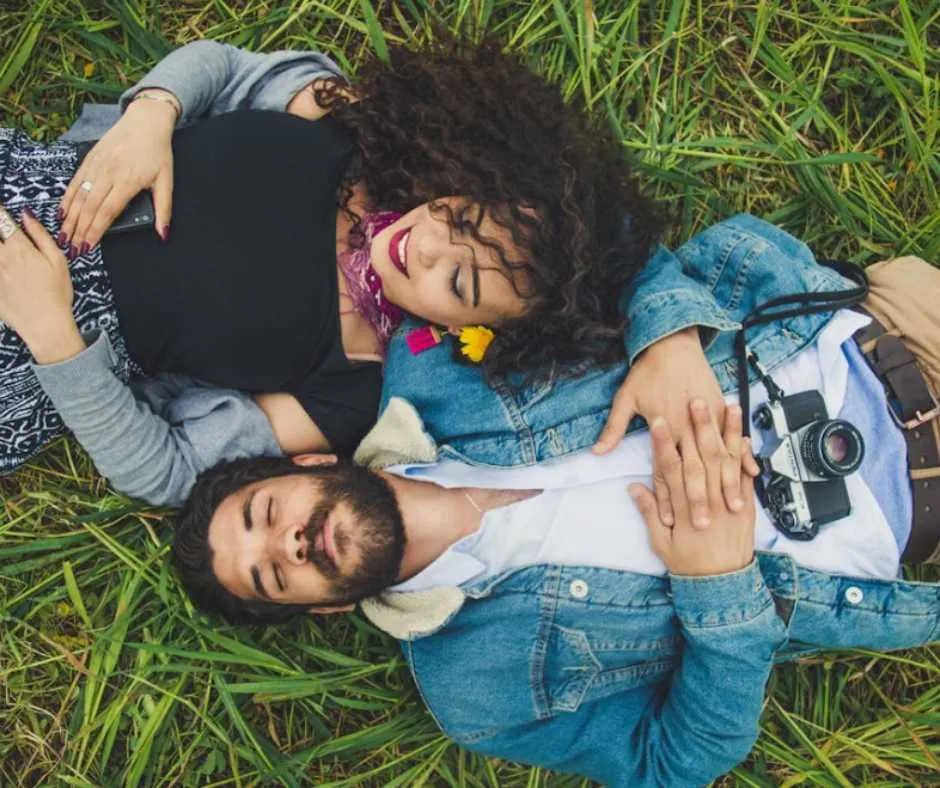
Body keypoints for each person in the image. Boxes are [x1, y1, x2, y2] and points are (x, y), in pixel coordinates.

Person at [171, 216, 939, 785]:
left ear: (306, 463)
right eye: (273, 574)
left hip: (887, 332)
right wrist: (718, 588)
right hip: (913, 521)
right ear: (322, 608)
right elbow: (673, 763)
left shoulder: (433, 365)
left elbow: (600, 239)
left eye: (264, 516)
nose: (290, 544)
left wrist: (666, 341)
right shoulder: (477, 690)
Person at [0, 37, 692, 506]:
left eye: (460, 283)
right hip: (23, 186)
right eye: (460, 220)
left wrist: (54, 338)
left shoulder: (352, 386)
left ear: (475, 334)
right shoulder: (355, 134)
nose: (424, 247)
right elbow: (219, 65)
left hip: (21, 354)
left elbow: (168, 474)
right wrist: (152, 114)